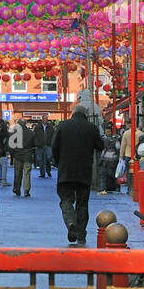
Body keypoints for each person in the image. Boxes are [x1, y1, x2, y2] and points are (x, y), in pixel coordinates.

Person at [51, 103, 105, 245]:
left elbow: (54, 148)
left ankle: (71, 223)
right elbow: (100, 146)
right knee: (82, 203)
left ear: (73, 113)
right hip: (84, 172)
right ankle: (80, 234)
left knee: (66, 200)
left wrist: (58, 162)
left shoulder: (62, 126)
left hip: (66, 171)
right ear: (85, 115)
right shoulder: (91, 128)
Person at [8, 117, 34, 197]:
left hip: (18, 155)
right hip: (28, 155)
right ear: (25, 124)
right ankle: (26, 190)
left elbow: (11, 145)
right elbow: (35, 143)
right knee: (27, 173)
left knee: (17, 173)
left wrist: (12, 153)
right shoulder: (31, 133)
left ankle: (17, 189)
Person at [98, 122, 120, 194]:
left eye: (108, 131)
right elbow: (118, 147)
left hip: (104, 159)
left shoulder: (102, 139)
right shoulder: (116, 139)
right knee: (114, 175)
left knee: (103, 175)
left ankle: (102, 189)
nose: (107, 133)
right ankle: (116, 188)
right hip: (114, 159)